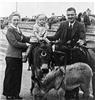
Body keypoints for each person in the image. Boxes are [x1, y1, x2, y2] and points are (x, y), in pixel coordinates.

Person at [2, 11, 30, 99]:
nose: (16, 21)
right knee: (10, 76)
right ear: (10, 20)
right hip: (11, 56)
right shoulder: (10, 30)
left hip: (17, 57)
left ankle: (15, 94)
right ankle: (9, 95)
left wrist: (32, 39)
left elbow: (24, 38)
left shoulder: (17, 29)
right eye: (14, 20)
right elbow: (14, 43)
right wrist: (26, 45)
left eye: (18, 20)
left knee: (17, 76)